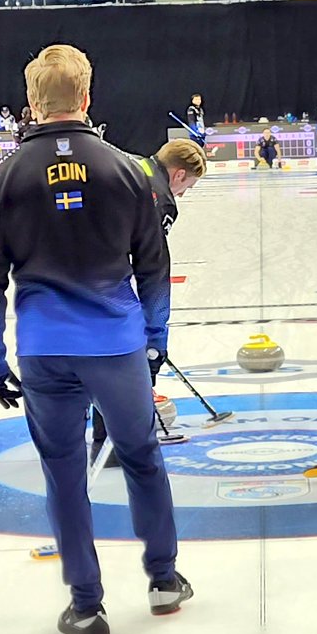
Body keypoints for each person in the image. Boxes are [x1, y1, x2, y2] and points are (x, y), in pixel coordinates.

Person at [0, 44, 191, 634]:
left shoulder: (0, 180)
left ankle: (87, 606)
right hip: (115, 345)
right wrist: (154, 344)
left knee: (64, 474)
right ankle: (164, 579)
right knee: (142, 456)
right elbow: (153, 269)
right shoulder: (129, 171)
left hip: (44, 348)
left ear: (33, 104)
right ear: (87, 98)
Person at [91, 137, 209, 466]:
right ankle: (121, 444)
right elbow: (154, 271)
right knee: (124, 355)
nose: (183, 194)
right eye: (188, 187)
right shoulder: (160, 199)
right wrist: (157, 336)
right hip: (102, 279)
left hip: (60, 267)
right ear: (180, 175)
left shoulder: (131, 160)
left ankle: (101, 439)